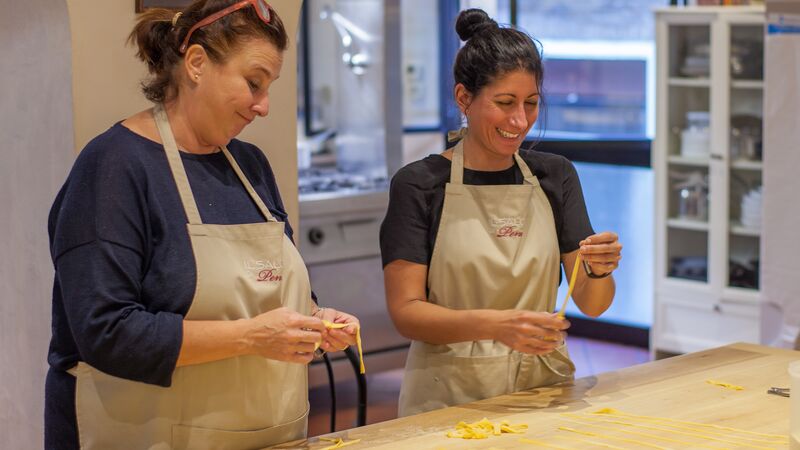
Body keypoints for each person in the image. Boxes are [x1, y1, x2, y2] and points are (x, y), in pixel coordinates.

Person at [45, 1, 359, 448]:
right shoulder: (114, 167)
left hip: (269, 434)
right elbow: (105, 332)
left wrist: (313, 320)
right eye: (253, 83)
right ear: (196, 63)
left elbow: (270, 290)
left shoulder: (250, 166)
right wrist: (253, 336)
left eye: (268, 88)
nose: (264, 106)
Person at [380, 8, 623, 417]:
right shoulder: (419, 184)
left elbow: (593, 303)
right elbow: (406, 313)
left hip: (542, 390)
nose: (519, 120)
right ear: (464, 98)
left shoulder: (555, 175)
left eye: (530, 104)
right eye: (505, 102)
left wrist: (599, 270)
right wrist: (498, 326)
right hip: (448, 395)